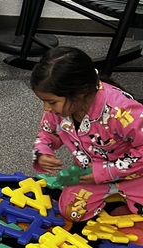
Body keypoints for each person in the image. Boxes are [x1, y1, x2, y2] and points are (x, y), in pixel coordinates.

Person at [31, 45, 143, 222]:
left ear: (80, 93)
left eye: (51, 101)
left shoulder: (121, 111)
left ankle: (128, 198)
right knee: (72, 212)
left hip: (136, 174)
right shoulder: (58, 110)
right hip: (90, 176)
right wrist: (43, 152)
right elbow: (46, 133)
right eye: (44, 101)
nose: (46, 108)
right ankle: (116, 197)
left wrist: (106, 172)